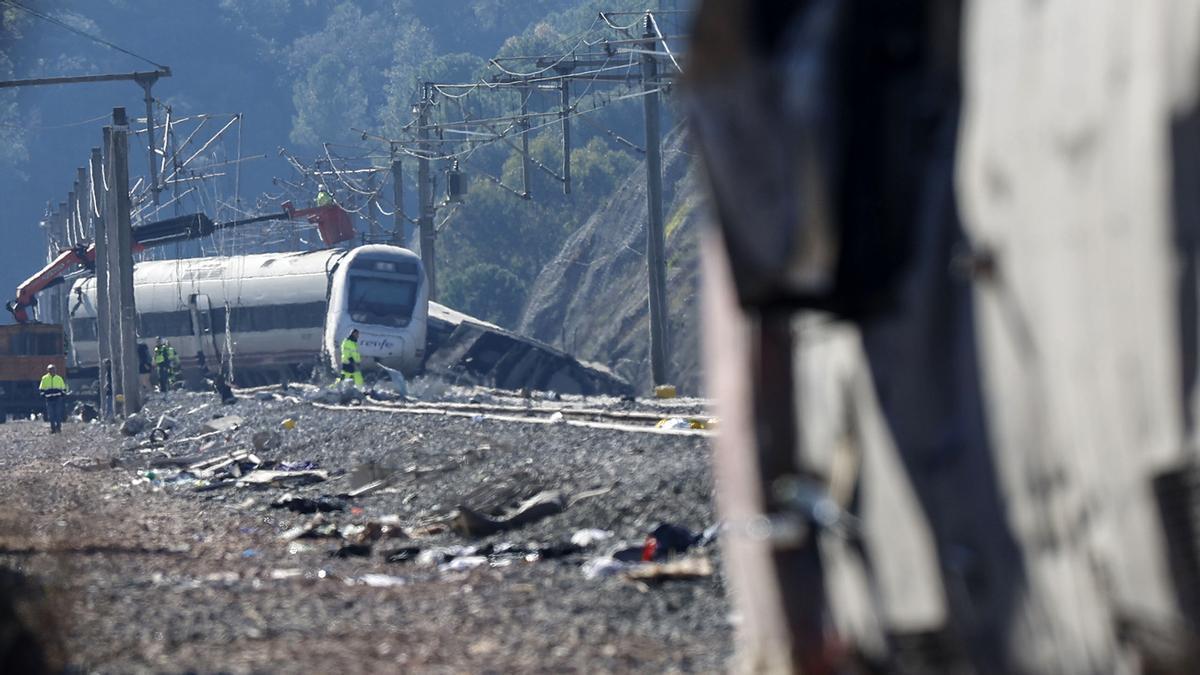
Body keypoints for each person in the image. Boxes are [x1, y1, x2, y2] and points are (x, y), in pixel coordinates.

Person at [39, 364, 68, 434]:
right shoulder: (44, 378)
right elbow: (41, 389)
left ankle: (58, 428)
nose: (52, 371)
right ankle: (53, 429)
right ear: (48, 371)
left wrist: (62, 394)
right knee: (51, 415)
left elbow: (63, 388)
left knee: (58, 414)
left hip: (57, 399)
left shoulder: (59, 378)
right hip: (49, 399)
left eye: (53, 369)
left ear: (55, 370)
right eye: (50, 370)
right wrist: (43, 394)